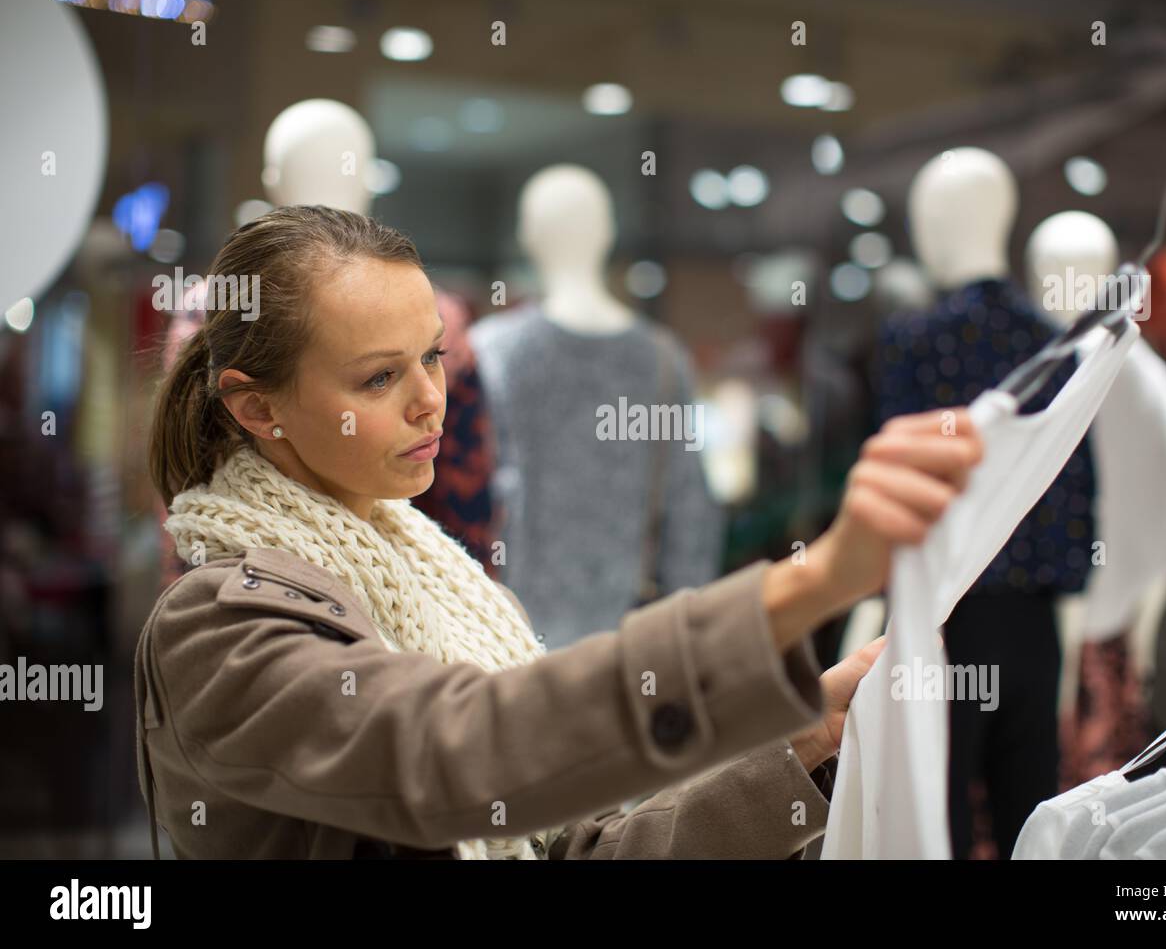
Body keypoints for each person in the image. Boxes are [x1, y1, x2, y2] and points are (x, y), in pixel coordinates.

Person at [137, 205, 983, 859]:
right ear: (257, 407)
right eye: (378, 377)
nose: (430, 398)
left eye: (432, 357)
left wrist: (804, 746)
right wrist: (808, 587)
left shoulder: (445, 579)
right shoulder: (217, 627)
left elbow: (574, 850)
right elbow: (464, 752)